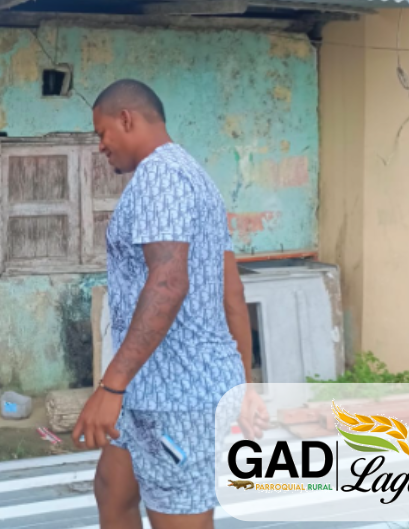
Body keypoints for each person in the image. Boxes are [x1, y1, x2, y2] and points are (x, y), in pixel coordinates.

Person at [73, 79, 269, 529]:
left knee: (179, 519)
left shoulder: (161, 177)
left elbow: (168, 283)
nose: (101, 146)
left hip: (177, 398)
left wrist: (110, 387)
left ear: (127, 119)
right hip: (148, 388)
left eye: (102, 133)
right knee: (112, 489)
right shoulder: (194, 177)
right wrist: (242, 385)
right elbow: (231, 292)